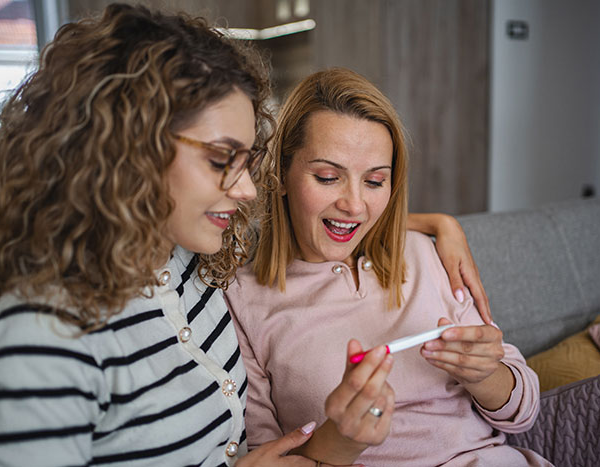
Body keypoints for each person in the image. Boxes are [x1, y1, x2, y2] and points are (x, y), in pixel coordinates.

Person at [0, 5, 490, 467]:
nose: (246, 189)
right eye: (222, 160)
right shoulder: (42, 338)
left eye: (247, 162)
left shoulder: (195, 261)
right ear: (126, 152)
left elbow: (326, 223)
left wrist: (434, 224)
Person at [224, 68, 553, 466]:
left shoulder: (426, 254)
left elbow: (522, 412)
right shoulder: (244, 301)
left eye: (375, 181)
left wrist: (483, 374)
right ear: (281, 175)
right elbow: (266, 456)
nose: (355, 205)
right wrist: (340, 439)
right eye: (328, 177)